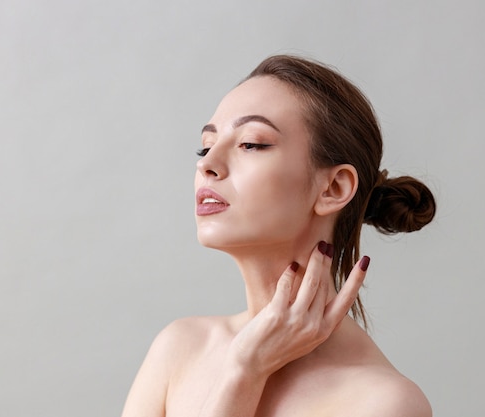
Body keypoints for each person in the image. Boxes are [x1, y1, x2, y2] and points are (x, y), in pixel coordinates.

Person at [121, 54, 436, 417]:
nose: (206, 163)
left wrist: (244, 371)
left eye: (251, 144)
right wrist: (243, 371)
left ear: (333, 188)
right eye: (206, 146)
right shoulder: (180, 348)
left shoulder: (383, 402)